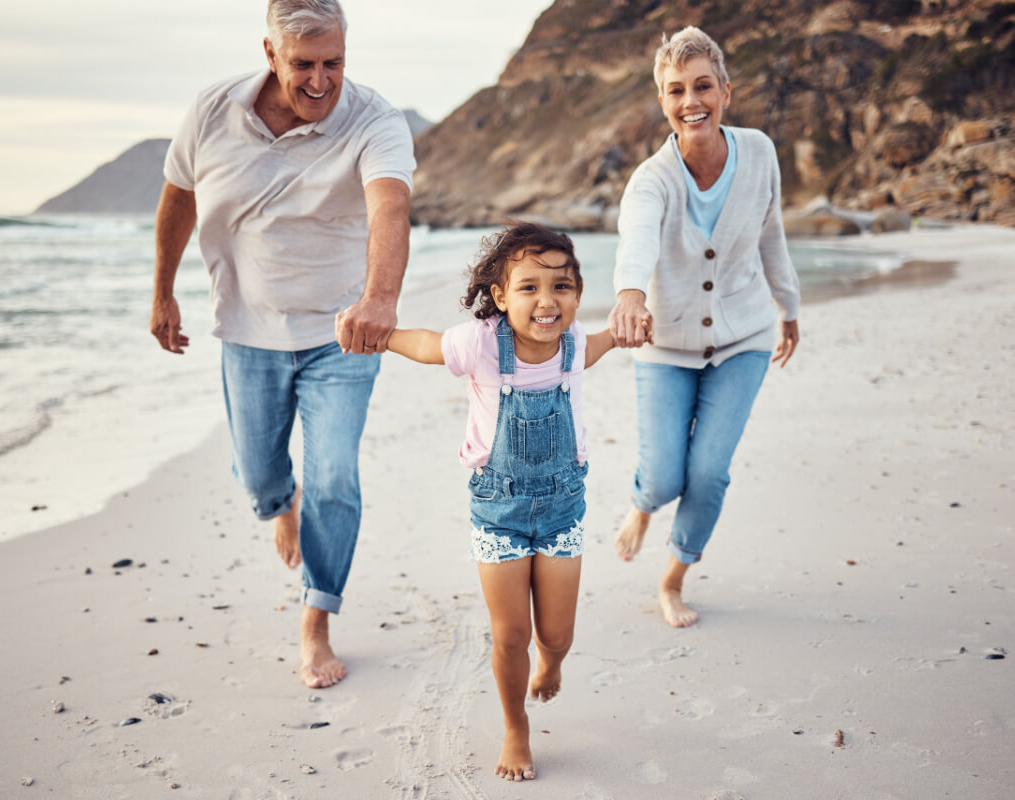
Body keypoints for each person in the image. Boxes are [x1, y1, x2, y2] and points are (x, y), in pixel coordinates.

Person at [148, 0, 415, 688]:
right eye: (304, 65)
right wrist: (163, 291)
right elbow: (178, 194)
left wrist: (380, 299)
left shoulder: (375, 120)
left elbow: (390, 206)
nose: (322, 80)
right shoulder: (214, 110)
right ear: (269, 54)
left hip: (341, 334)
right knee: (261, 475)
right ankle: (278, 505)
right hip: (248, 329)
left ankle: (316, 619)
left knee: (335, 478)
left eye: (335, 63)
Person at [340, 223, 614, 781]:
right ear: (500, 296)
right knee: (511, 635)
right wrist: (379, 334)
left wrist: (631, 330)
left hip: (563, 509)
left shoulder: (577, 343)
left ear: (578, 295)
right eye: (529, 287)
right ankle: (516, 727)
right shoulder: (481, 342)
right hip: (498, 513)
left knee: (556, 636)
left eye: (561, 287)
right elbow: (423, 345)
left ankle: (552, 664)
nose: (546, 300)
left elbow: (602, 346)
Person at [608, 26, 801, 628]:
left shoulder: (760, 152)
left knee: (708, 472)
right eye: (676, 91)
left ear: (725, 91)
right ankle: (643, 504)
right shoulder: (652, 179)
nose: (691, 101)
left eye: (702, 87)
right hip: (666, 345)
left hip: (743, 338)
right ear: (662, 102)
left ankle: (672, 579)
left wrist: (787, 306)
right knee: (665, 475)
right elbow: (637, 236)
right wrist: (630, 295)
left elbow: (771, 231)